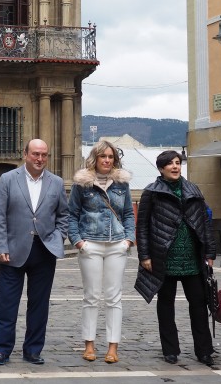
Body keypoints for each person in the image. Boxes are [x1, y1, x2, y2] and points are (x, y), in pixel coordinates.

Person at [0, 139, 68, 366]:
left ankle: (33, 350)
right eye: (35, 154)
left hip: (44, 252)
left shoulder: (57, 182)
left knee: (39, 305)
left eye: (44, 154)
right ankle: (2, 350)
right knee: (6, 304)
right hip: (12, 251)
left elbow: (64, 215)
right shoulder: (8, 179)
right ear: (25, 155)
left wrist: (58, 239)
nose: (40, 158)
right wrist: (0, 246)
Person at [133, 150, 216, 366]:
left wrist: (210, 253)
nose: (175, 167)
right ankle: (170, 349)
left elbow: (205, 223)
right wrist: (144, 255)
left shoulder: (193, 189)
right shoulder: (151, 192)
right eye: (169, 164)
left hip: (192, 258)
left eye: (177, 163)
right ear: (161, 169)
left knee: (199, 304)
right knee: (166, 305)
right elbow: (142, 226)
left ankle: (204, 350)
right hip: (164, 256)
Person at [67, 140, 135, 364]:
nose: (107, 160)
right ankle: (89, 344)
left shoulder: (121, 183)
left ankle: (113, 347)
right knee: (92, 296)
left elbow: (127, 213)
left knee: (114, 297)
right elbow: (72, 215)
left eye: (111, 157)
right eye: (103, 156)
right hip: (91, 244)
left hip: (116, 244)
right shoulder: (82, 184)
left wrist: (128, 240)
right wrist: (78, 242)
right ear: (94, 159)